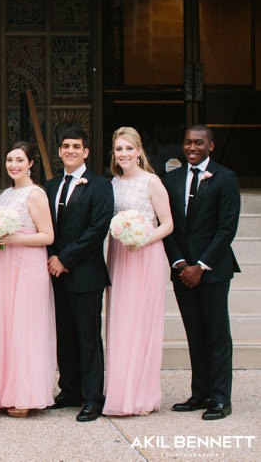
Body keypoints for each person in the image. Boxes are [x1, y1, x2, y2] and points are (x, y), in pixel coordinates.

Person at [0, 140, 56, 417]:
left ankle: (25, 395)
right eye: (10, 160)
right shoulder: (6, 195)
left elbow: (47, 235)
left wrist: (15, 237)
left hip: (26, 266)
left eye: (20, 160)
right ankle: (2, 392)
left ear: (31, 164)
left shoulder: (35, 194)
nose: (14, 165)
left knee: (24, 328)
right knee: (3, 327)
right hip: (1, 265)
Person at [166, 125, 241, 421]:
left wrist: (202, 266)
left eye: (198, 142)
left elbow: (227, 228)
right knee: (194, 333)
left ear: (211, 146)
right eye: (187, 142)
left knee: (216, 335)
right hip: (183, 270)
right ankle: (200, 394)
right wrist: (181, 264)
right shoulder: (170, 179)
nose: (192, 147)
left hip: (213, 270)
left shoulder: (226, 178)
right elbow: (168, 226)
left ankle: (221, 398)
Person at [43, 126, 113, 422]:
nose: (70, 150)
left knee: (87, 337)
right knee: (64, 335)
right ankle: (69, 389)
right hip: (54, 273)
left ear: (86, 152)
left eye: (76, 146)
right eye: (65, 146)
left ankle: (92, 397)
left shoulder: (100, 186)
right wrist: (51, 259)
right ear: (59, 151)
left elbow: (97, 229)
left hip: (85, 273)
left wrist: (65, 259)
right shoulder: (49, 186)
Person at [103, 126, 173, 417]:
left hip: (145, 256)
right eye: (119, 149)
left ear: (140, 151)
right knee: (119, 323)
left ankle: (141, 395)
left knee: (141, 324)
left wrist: (142, 239)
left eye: (129, 148)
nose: (124, 154)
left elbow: (167, 224)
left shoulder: (152, 182)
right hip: (119, 255)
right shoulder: (113, 184)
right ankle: (119, 393)